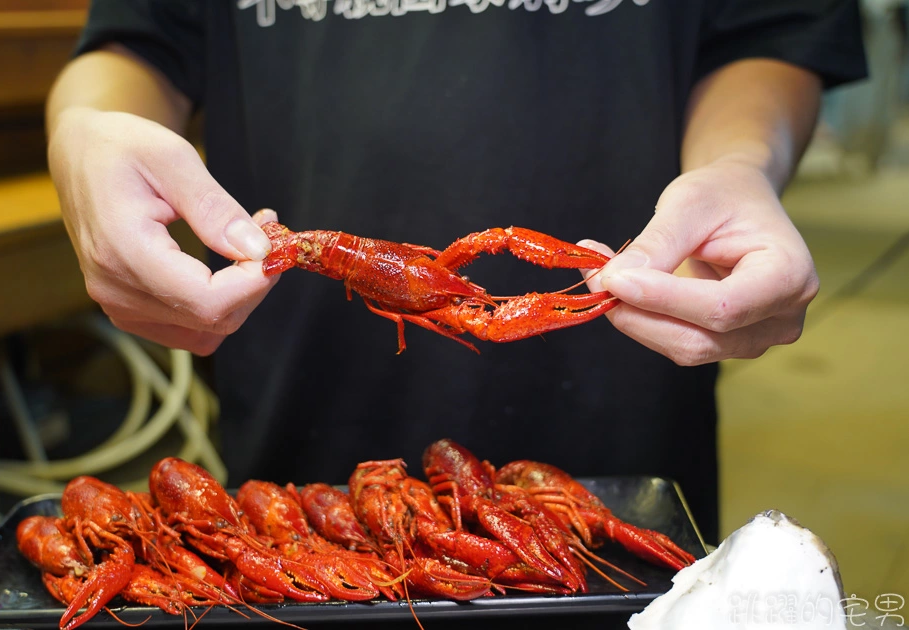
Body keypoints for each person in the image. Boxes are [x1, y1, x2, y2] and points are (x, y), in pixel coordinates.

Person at [47, 0, 865, 547]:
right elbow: (135, 41)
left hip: (630, 411)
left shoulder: (445, 282)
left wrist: (742, 164)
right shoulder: (434, 295)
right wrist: (84, 131)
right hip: (296, 412)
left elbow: (769, 32)